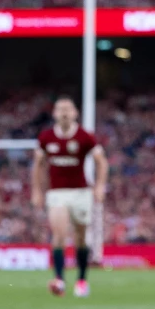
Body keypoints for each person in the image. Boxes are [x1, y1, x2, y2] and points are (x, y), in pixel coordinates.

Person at [31, 96, 108, 297]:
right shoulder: (46, 137)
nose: (64, 112)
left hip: (81, 192)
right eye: (60, 109)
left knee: (81, 237)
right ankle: (60, 280)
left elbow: (102, 162)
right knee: (59, 233)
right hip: (57, 193)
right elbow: (38, 165)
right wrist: (37, 191)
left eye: (68, 109)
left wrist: (99, 186)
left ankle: (81, 280)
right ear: (55, 113)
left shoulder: (85, 137)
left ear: (75, 113)